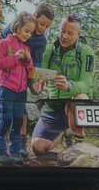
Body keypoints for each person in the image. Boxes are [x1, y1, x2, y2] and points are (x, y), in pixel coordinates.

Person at [31, 13, 94, 155]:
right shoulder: (49, 50)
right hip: (52, 105)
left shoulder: (86, 52)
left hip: (71, 105)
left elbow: (86, 84)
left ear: (79, 34)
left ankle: (79, 140)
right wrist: (39, 79)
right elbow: (39, 74)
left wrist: (69, 86)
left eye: (70, 33)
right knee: (37, 148)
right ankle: (62, 135)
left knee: (81, 98)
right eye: (62, 31)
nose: (64, 36)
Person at [0, 12, 43, 165]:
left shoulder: (27, 48)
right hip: (6, 88)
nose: (29, 35)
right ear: (17, 27)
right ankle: (0, 152)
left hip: (21, 91)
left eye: (31, 32)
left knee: (17, 122)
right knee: (5, 120)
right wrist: (15, 57)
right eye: (26, 31)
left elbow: (29, 71)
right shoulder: (4, 43)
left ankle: (15, 152)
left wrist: (28, 60)